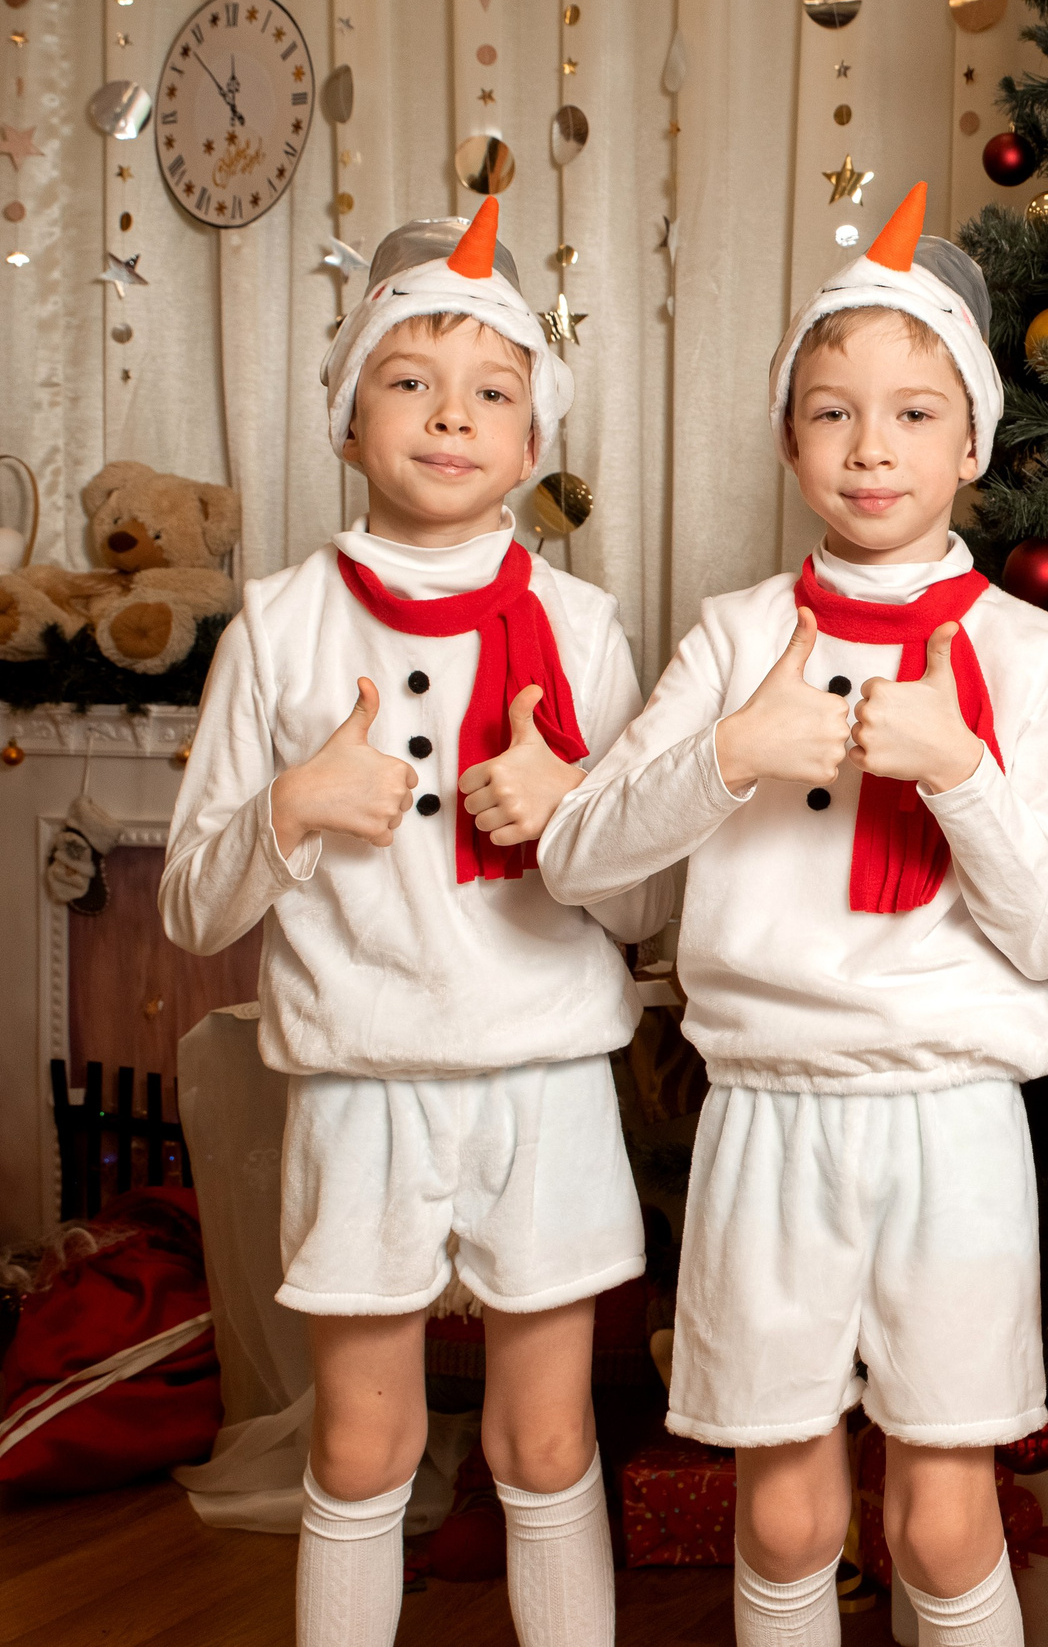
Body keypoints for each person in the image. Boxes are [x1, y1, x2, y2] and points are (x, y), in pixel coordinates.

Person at [538, 184, 1048, 1647]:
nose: (871, 448)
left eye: (914, 414)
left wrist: (961, 775)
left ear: (972, 442)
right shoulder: (732, 638)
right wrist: (734, 754)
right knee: (785, 1510)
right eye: (834, 412)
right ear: (790, 438)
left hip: (951, 1118)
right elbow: (586, 860)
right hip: (767, 1112)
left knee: (944, 1512)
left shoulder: (1029, 655)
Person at [161, 198, 675, 1647]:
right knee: (362, 1451)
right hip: (363, 1084)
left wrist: (574, 808)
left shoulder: (582, 628)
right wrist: (292, 807)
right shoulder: (280, 625)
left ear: (532, 442)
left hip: (544, 1077)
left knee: (547, 1447)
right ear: (344, 414)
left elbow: (643, 902)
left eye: (492, 393)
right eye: (410, 378)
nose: (451, 417)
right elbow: (199, 901)